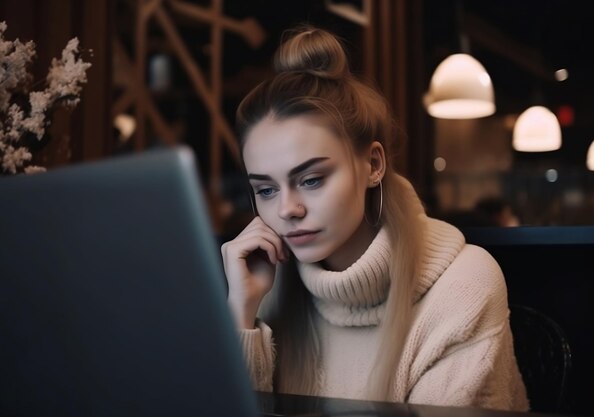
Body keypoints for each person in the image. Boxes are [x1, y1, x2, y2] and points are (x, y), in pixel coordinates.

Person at [220, 25, 528, 410]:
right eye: (266, 190)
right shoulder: (272, 284)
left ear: (374, 164)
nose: (286, 209)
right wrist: (240, 314)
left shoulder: (463, 286)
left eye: (312, 179)